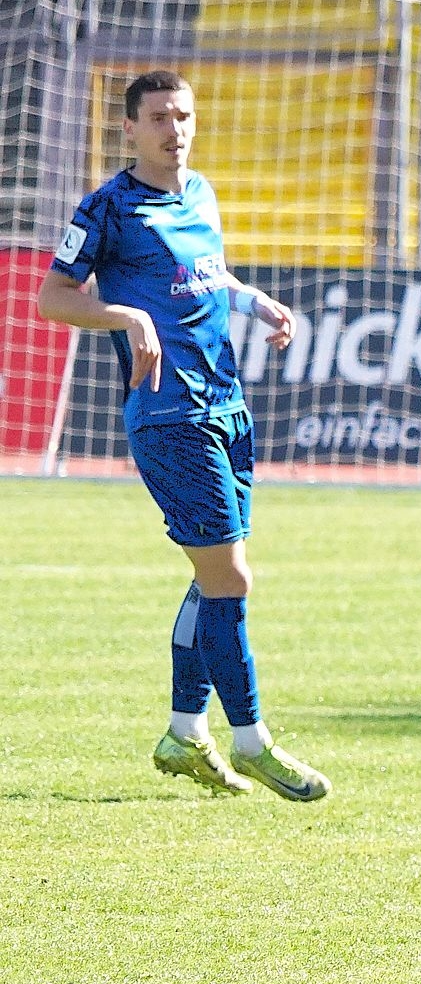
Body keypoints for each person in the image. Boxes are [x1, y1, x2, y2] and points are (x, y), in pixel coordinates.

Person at [37, 69, 330, 803]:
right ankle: (252, 741)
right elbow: (52, 298)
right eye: (161, 117)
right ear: (129, 128)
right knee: (232, 579)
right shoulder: (107, 208)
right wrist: (125, 316)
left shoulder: (200, 193)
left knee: (213, 578)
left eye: (184, 115)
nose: (176, 129)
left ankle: (183, 731)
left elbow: (207, 273)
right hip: (170, 417)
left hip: (226, 405)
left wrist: (253, 300)